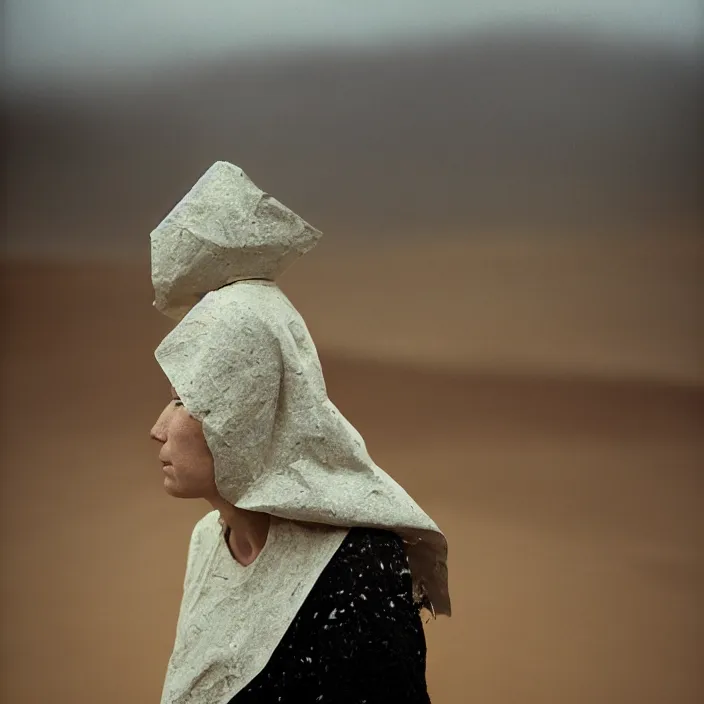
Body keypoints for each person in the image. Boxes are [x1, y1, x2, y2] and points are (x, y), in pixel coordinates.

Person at [149, 161, 450, 704]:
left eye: (186, 400)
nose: (158, 429)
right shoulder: (207, 545)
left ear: (245, 413)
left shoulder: (362, 568)